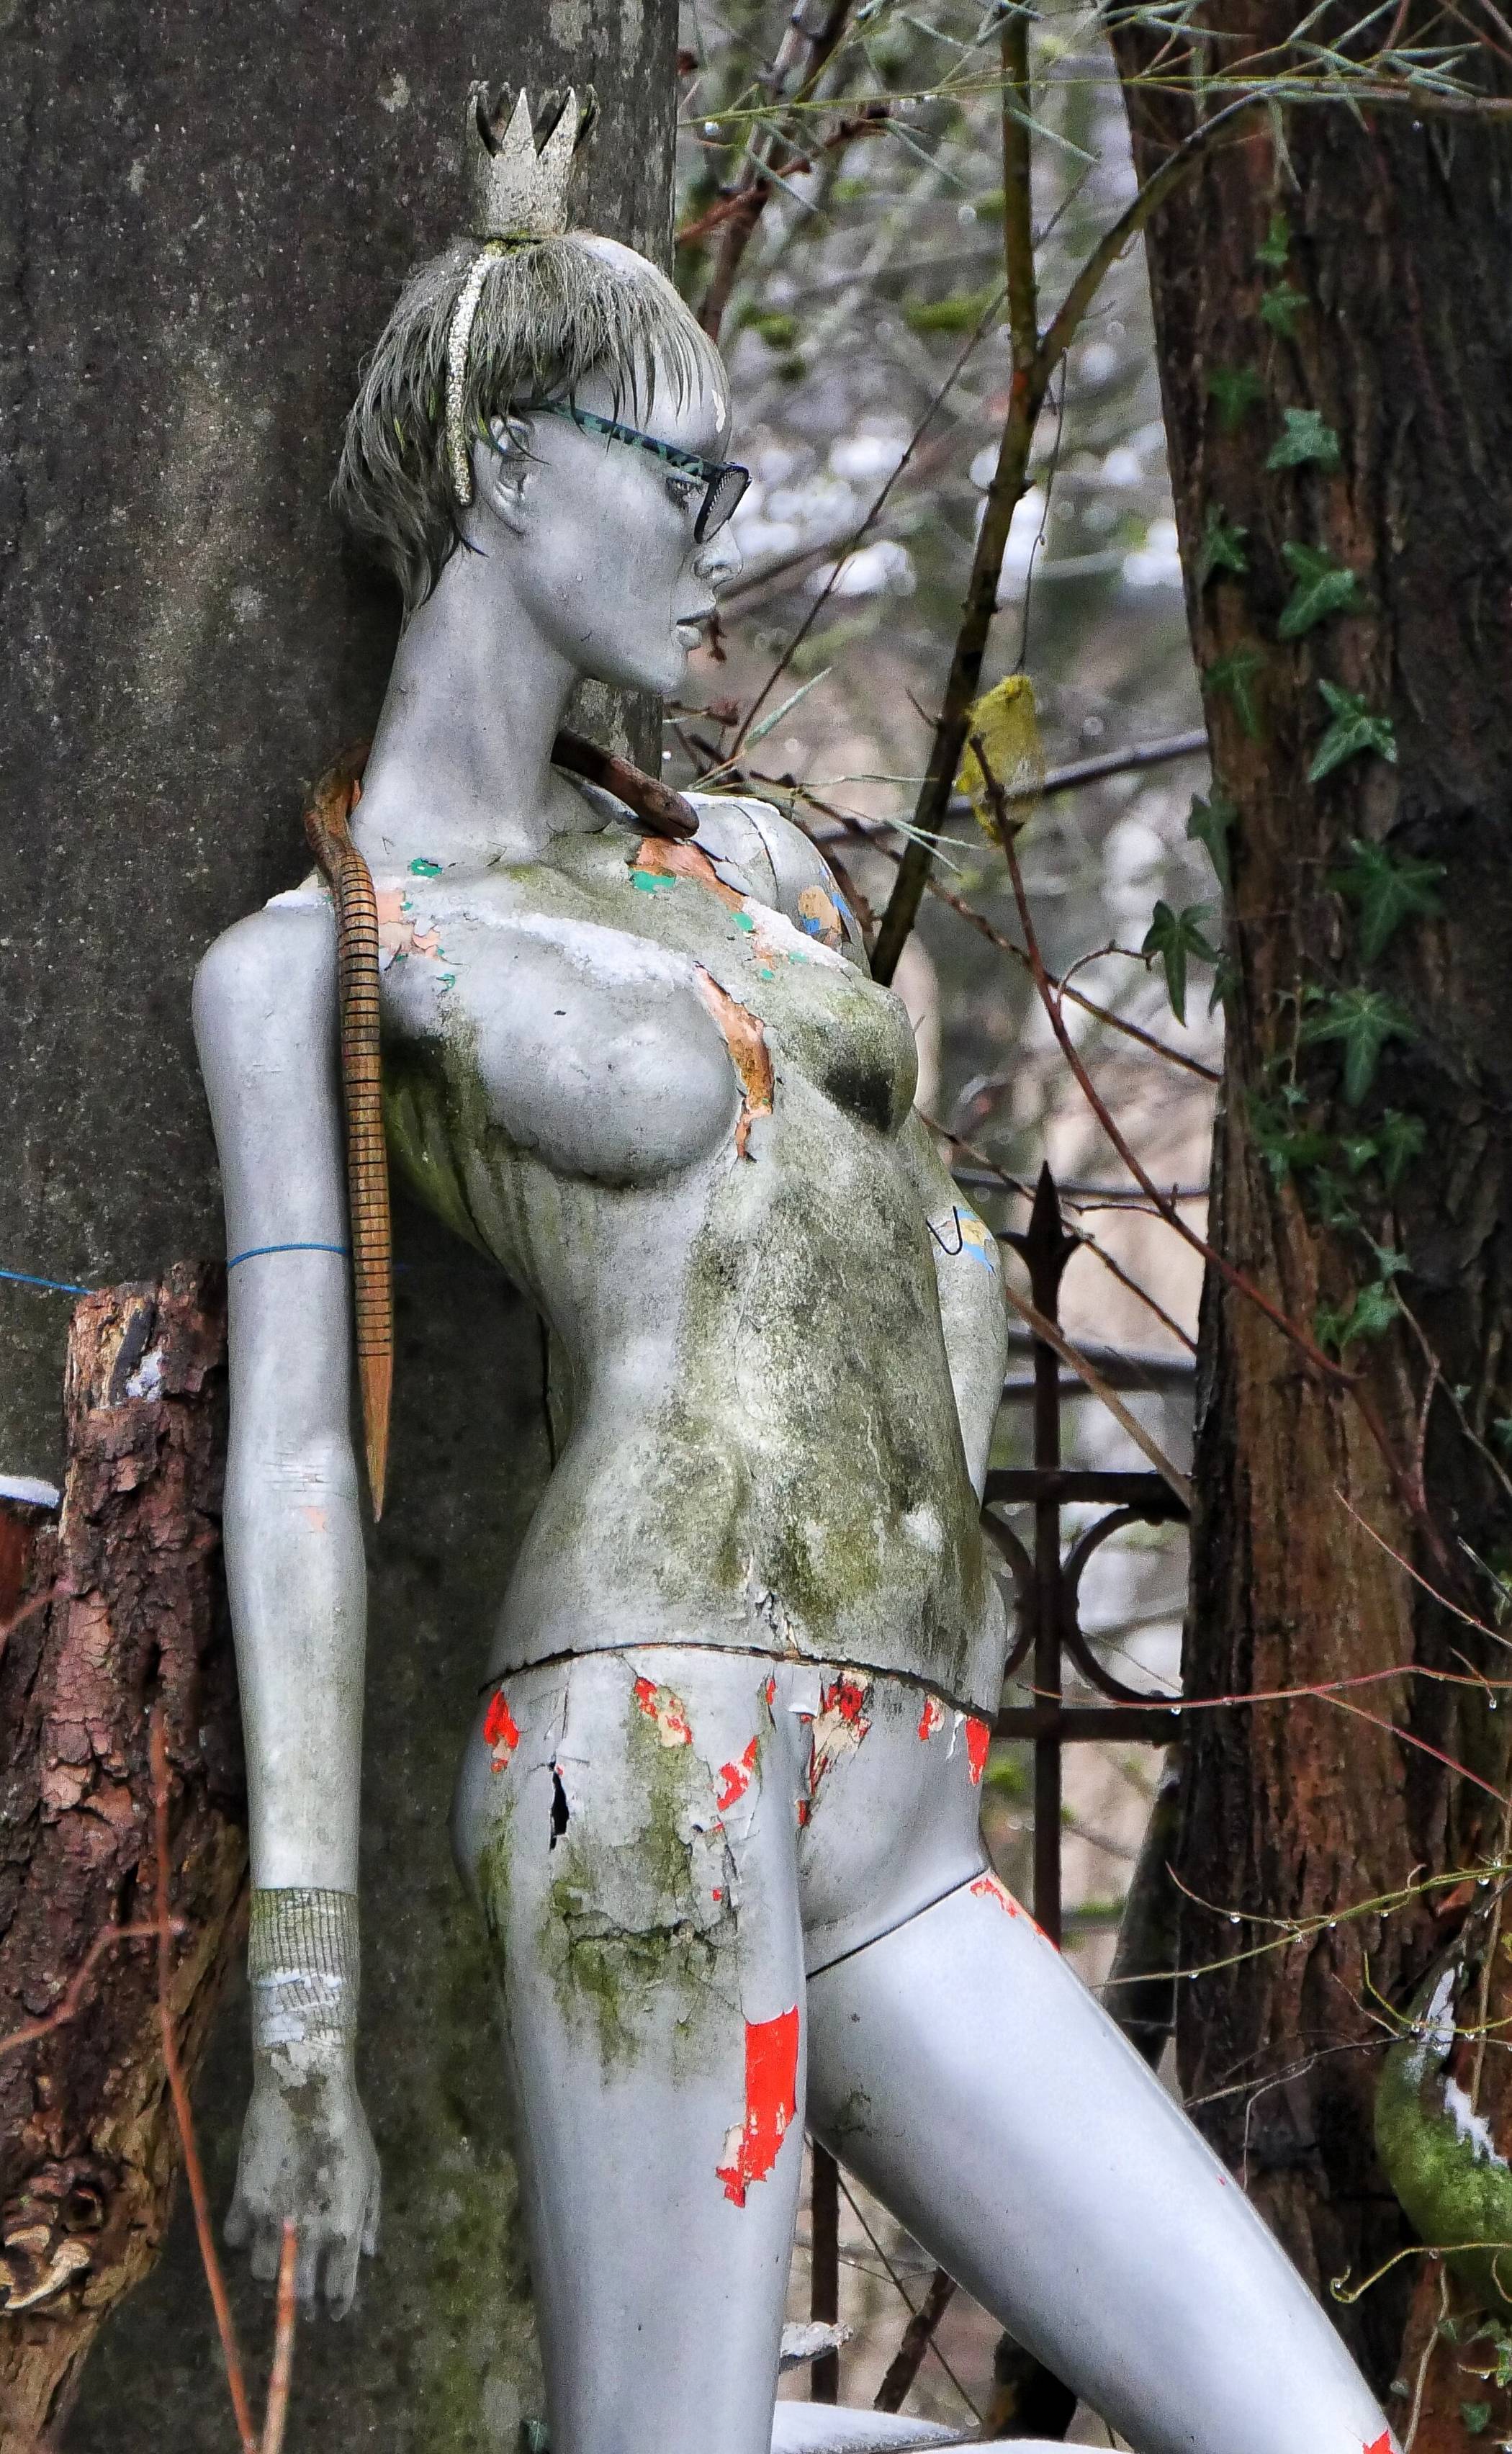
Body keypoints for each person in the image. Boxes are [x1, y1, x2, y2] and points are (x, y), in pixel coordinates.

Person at [193, 84, 1398, 2454]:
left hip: (903, 1793)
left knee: (1303, 2434)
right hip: (655, 1757)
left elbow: (919, 1242)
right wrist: (303, 1984)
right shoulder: (328, 958)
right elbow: (294, 1462)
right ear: (510, 472)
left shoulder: (747, 866)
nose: (717, 542)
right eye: (685, 478)